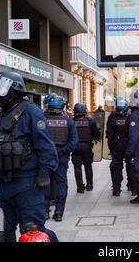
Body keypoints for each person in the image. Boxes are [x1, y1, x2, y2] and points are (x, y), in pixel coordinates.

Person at [0, 72, 59, 242]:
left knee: (33, 231)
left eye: (2, 91)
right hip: (1, 185)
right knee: (0, 232)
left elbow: (46, 146)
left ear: (15, 91)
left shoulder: (31, 112)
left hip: (26, 184)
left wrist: (44, 172)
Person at [44, 94, 78, 222]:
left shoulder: (42, 119)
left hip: (46, 157)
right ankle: (58, 212)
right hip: (61, 157)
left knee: (45, 183)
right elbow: (74, 141)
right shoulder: (68, 120)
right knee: (61, 184)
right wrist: (63, 150)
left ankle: (45, 212)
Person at [106, 98, 133, 196]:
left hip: (116, 146)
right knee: (130, 165)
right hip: (128, 145)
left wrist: (111, 148)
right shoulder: (129, 118)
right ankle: (132, 187)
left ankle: (116, 189)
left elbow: (109, 135)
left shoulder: (112, 118)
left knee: (116, 167)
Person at [72, 103, 100, 193]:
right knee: (88, 166)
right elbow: (96, 134)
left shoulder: (71, 121)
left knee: (77, 167)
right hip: (87, 146)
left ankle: (80, 187)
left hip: (75, 146)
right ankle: (89, 185)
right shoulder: (90, 121)